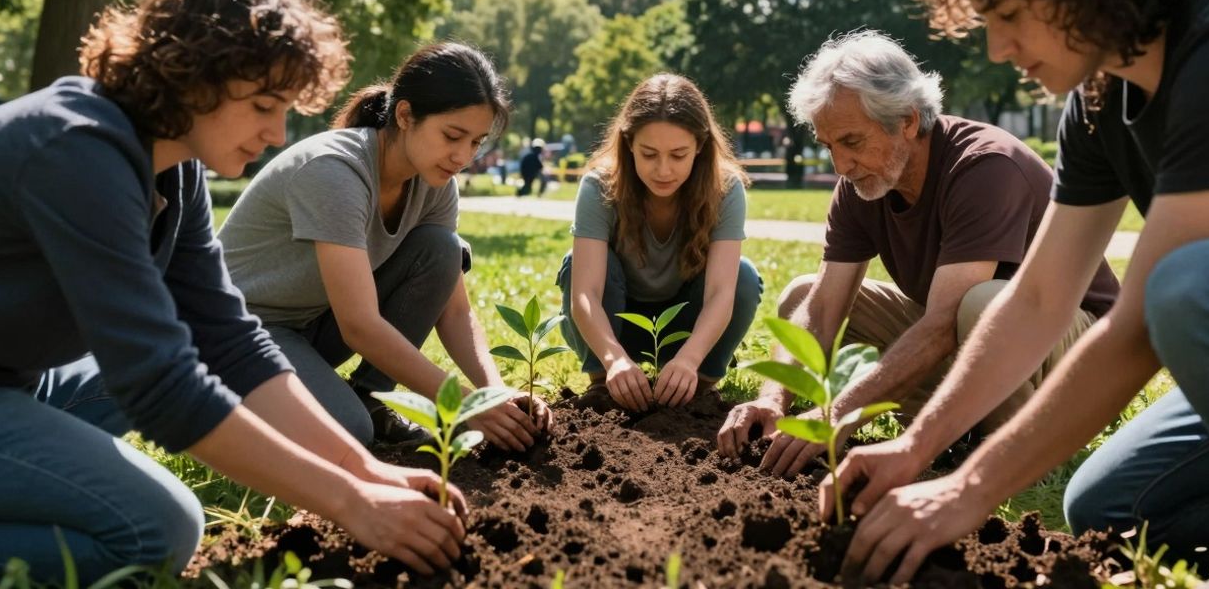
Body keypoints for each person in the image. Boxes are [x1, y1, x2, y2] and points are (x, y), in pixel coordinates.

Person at [822, 0, 1209, 588]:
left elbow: (1142, 323)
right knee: (1107, 508)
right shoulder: (1099, 102)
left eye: (1009, 14)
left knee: (1193, 287)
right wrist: (916, 449)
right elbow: (1040, 299)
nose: (997, 48)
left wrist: (969, 489)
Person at [0, 0, 468, 584]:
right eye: (264, 105)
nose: (278, 133)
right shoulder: (74, 148)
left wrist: (366, 471)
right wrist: (350, 503)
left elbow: (226, 338)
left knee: (165, 370)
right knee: (161, 531)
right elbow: (160, 385)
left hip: (8, 380)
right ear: (192, 76)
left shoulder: (174, 165)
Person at [716, 31, 1119, 475]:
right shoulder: (862, 183)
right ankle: (948, 429)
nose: (840, 166)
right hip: (973, 339)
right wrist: (773, 397)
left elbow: (944, 324)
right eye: (829, 146)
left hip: (1079, 351)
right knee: (802, 295)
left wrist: (840, 414)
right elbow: (825, 305)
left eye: (852, 142)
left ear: (907, 120)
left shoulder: (985, 167)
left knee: (981, 304)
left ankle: (1010, 446)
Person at [219, 42, 550, 450]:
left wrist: (494, 395)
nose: (462, 156)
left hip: (313, 324)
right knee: (349, 432)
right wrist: (463, 405)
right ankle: (246, 405)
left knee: (442, 248)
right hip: (241, 332)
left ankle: (370, 397)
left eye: (476, 142)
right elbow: (358, 325)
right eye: (452, 136)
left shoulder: (435, 182)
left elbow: (455, 309)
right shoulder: (334, 172)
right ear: (405, 115)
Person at [558, 74, 763, 411]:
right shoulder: (599, 187)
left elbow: (721, 293)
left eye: (678, 155)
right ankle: (602, 385)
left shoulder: (725, 189)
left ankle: (698, 387)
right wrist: (614, 359)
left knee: (744, 276)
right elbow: (585, 294)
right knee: (575, 263)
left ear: (700, 146)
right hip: (615, 330)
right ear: (629, 144)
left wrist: (690, 359)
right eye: (649, 154)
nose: (663, 170)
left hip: (687, 331)